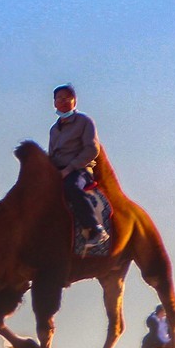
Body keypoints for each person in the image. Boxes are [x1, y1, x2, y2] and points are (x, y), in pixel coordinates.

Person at [47, 84, 109, 247]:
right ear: (54, 103)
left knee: (71, 187)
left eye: (67, 97)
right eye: (59, 98)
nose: (63, 101)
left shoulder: (84, 121)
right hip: (58, 171)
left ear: (75, 101)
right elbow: (52, 155)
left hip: (80, 170)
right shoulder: (54, 129)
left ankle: (95, 228)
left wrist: (69, 168)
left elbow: (92, 149)